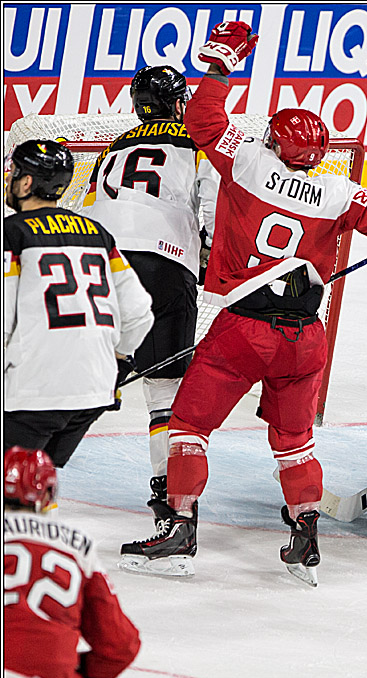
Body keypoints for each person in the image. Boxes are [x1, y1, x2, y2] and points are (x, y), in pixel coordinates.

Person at [118, 21, 367, 587]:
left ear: (276, 143)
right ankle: (305, 536)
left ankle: (180, 528)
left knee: (187, 425)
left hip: (242, 331)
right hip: (307, 339)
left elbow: (204, 121)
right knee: (295, 441)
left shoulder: (250, 164)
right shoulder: (339, 191)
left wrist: (218, 67)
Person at [81, 64, 218, 541]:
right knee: (165, 394)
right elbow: (215, 208)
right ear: (180, 102)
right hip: (164, 264)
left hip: (101, 265)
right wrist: (211, 261)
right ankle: (170, 499)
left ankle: (23, 467)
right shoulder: (198, 141)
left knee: (78, 381)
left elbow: (84, 209)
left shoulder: (112, 149)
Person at [4, 139, 154, 466]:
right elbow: (140, 311)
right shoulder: (97, 234)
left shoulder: (11, 234)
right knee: (36, 485)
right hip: (93, 392)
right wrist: (118, 361)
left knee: (15, 489)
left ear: (27, 183)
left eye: (14, 172)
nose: (9, 179)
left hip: (34, 392)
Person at [4, 446, 141, 678]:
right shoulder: (79, 545)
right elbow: (121, 646)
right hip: (55, 672)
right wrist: (69, 672)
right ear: (48, 495)